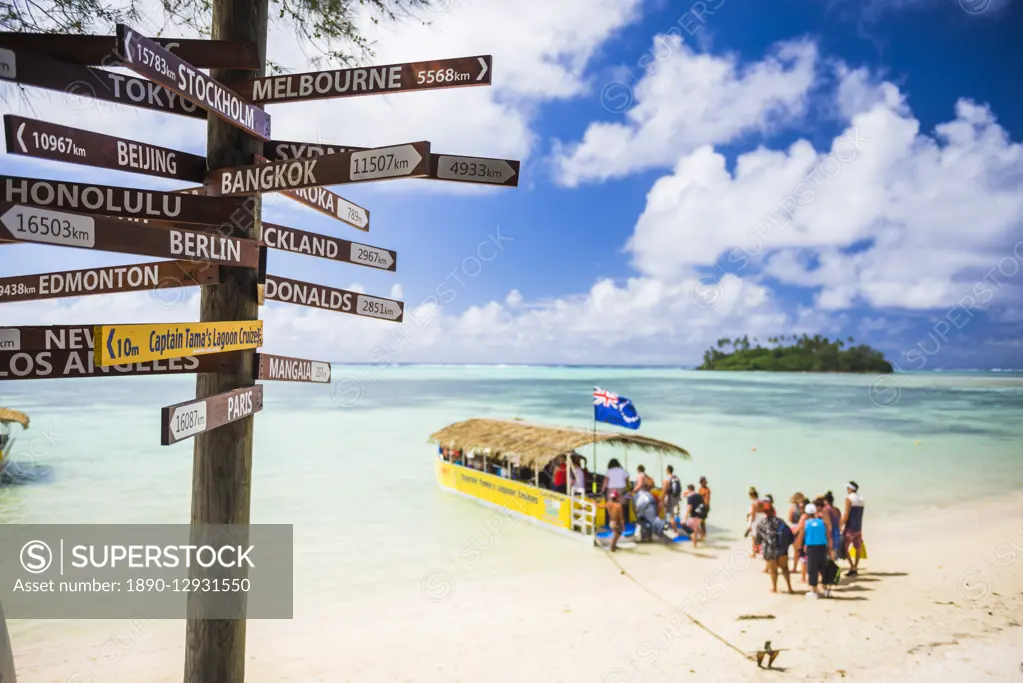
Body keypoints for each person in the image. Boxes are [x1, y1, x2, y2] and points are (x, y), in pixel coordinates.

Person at [754, 502, 794, 593]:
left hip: (769, 550)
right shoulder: (780, 521)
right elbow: (788, 534)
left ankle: (774, 588)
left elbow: (758, 540)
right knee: (785, 569)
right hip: (782, 549)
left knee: (773, 571)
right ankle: (790, 588)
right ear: (773, 511)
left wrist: (756, 548)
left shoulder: (761, 523)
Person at [796, 502, 833, 598]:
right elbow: (828, 535)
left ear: (807, 513)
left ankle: (814, 590)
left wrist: (799, 547)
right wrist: (830, 548)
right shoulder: (822, 523)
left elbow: (801, 536)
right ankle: (825, 589)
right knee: (823, 567)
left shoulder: (806, 524)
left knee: (812, 569)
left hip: (812, 548)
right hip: (822, 547)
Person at [841, 481, 866, 576]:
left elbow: (846, 514)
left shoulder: (849, 499)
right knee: (858, 548)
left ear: (851, 489)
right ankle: (855, 566)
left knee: (845, 548)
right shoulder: (861, 499)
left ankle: (852, 566)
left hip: (850, 527)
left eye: (847, 488)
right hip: (858, 527)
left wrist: (839, 525)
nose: (847, 490)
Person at [602, 458, 630, 523]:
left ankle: (612, 521)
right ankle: (623, 521)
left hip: (612, 490)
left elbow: (605, 481)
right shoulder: (623, 470)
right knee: (622, 505)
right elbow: (627, 481)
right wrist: (628, 489)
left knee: (611, 505)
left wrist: (602, 489)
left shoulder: (609, 471)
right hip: (621, 489)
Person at [662, 465, 682, 533]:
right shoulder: (676, 478)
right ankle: (668, 528)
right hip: (675, 499)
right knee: (671, 514)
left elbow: (664, 491)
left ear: (667, 470)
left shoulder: (667, 479)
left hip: (669, 499)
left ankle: (675, 532)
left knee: (669, 515)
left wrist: (661, 500)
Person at [822, 491, 842, 559]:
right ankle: (832, 566)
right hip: (837, 531)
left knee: (829, 550)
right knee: (833, 551)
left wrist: (828, 536)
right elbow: (840, 522)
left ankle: (829, 567)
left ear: (826, 501)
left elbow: (828, 524)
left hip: (830, 532)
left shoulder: (825, 510)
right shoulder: (837, 509)